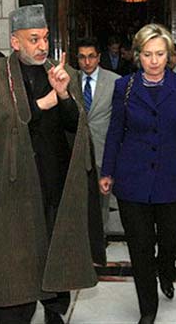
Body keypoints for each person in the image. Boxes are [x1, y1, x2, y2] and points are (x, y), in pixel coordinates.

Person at [0, 5, 103, 324]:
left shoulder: (58, 71)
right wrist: (43, 103)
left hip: (53, 188)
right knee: (16, 280)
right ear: (16, 42)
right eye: (33, 39)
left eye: (44, 38)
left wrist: (65, 96)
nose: (43, 46)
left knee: (56, 266)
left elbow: (75, 126)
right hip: (12, 194)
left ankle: (54, 313)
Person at [99, 24, 176, 324]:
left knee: (174, 236)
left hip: (172, 177)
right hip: (133, 178)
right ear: (138, 56)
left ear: (169, 55)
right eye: (148, 54)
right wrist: (107, 170)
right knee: (140, 246)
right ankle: (148, 309)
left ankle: (166, 266)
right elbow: (114, 132)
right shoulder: (125, 87)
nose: (155, 60)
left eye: (160, 54)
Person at [76, 37, 120, 229]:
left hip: (103, 150)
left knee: (103, 201)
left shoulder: (114, 81)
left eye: (91, 57)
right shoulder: (69, 80)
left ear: (99, 57)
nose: (87, 62)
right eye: (82, 57)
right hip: (77, 151)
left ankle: (100, 240)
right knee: (79, 200)